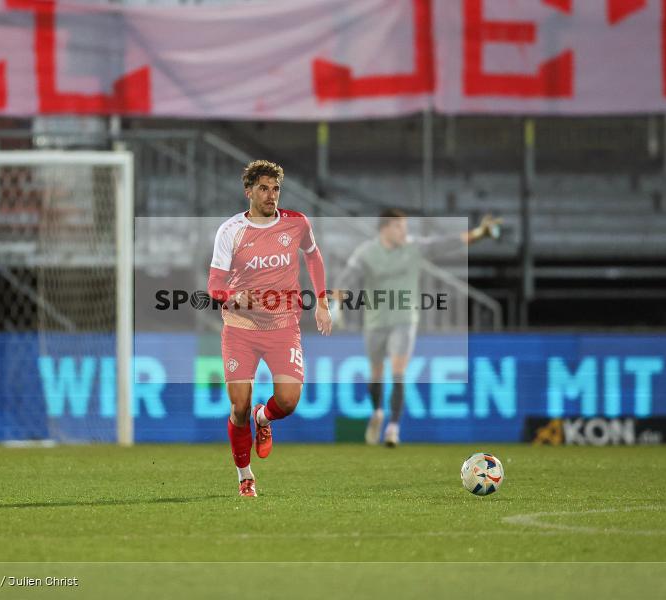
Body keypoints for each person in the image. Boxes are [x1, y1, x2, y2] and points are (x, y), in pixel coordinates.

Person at [207, 160, 332, 497]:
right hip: (240, 328)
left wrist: (322, 301)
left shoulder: (296, 223)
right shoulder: (230, 231)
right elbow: (214, 286)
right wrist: (233, 296)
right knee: (239, 406)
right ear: (248, 191)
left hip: (283, 326)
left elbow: (313, 256)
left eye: (275, 189)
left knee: (288, 402)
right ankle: (245, 477)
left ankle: (263, 418)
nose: (270, 195)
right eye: (263, 188)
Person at [334, 209, 500, 447]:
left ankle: (393, 428)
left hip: (404, 320)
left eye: (405, 226)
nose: (404, 231)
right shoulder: (366, 252)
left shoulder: (414, 247)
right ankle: (377, 413)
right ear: (385, 228)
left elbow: (448, 243)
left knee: (398, 371)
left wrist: (479, 233)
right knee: (376, 373)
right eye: (399, 227)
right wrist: (336, 303)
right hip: (375, 322)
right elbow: (346, 279)